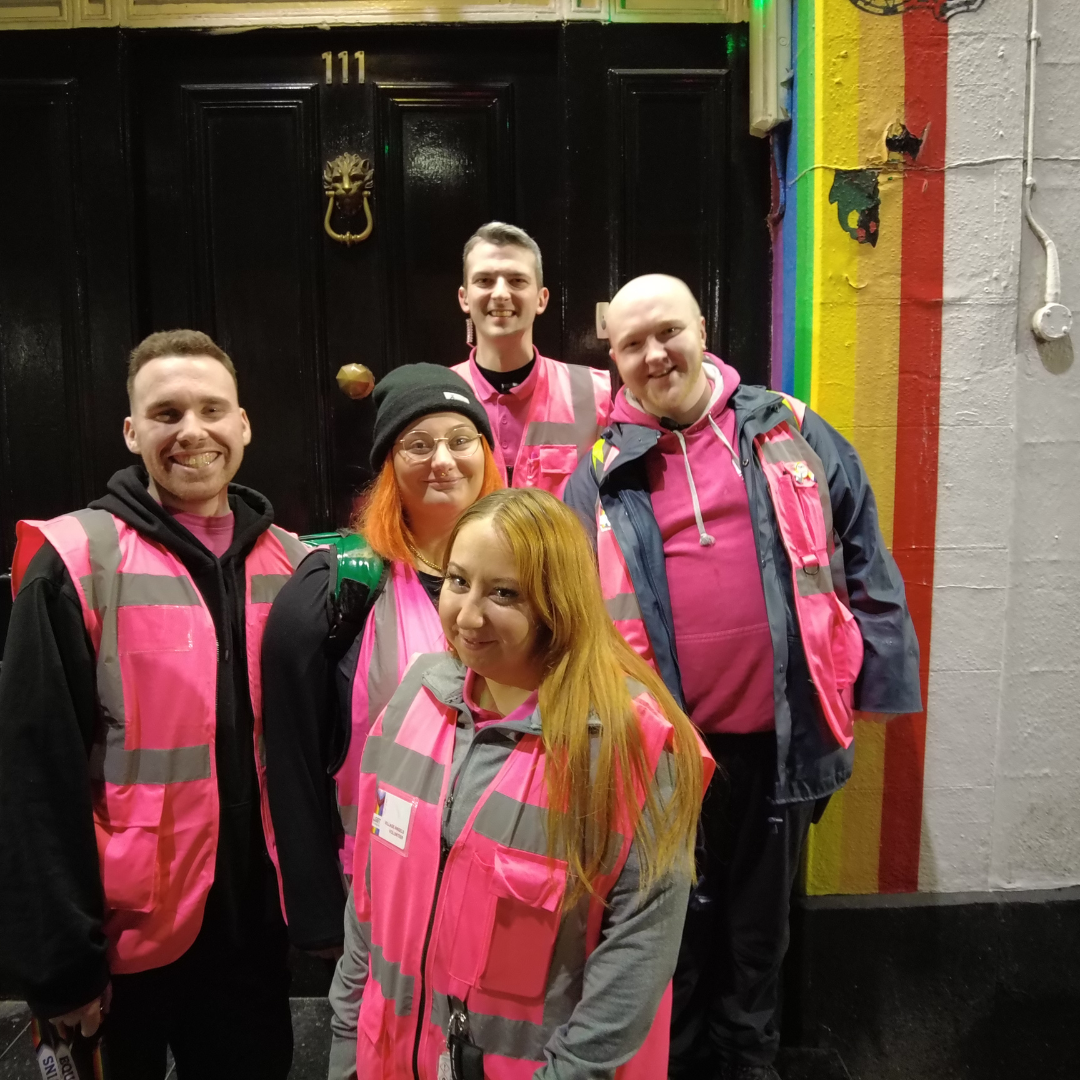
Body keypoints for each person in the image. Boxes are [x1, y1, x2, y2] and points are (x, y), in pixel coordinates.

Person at [562, 275, 923, 1080]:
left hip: (779, 742)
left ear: (703, 328)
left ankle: (748, 1067)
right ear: (613, 359)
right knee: (669, 944)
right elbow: (570, 609)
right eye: (632, 344)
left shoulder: (788, 430)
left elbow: (864, 550)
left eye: (669, 332)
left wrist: (879, 681)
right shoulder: (595, 471)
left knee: (759, 940)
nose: (655, 355)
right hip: (659, 761)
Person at [0, 330, 310, 1079]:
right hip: (122, 934)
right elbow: (32, 780)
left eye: (212, 409)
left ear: (243, 424)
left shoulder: (296, 563)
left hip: (252, 929)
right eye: (166, 414)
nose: (192, 432)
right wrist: (63, 965)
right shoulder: (73, 560)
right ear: (133, 431)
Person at [326, 488, 713, 1080]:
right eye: (458, 581)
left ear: (558, 604)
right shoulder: (415, 697)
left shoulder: (625, 743)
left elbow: (637, 954)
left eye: (503, 593)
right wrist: (347, 1038)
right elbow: (370, 895)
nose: (468, 615)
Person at [260, 363, 501, 956]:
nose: (442, 459)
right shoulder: (335, 587)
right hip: (374, 892)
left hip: (499, 886)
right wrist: (316, 911)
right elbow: (289, 758)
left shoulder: (532, 576)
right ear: (388, 466)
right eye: (417, 444)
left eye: (460, 439)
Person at [452, 221, 612, 494]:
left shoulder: (595, 392)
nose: (501, 293)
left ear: (541, 298)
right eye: (485, 281)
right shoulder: (439, 392)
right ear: (464, 298)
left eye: (517, 280)